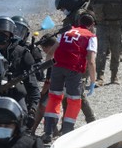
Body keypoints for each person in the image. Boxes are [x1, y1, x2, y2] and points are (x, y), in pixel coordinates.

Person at [40, 11, 97, 141]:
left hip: (57, 67)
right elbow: (91, 61)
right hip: (74, 70)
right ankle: (67, 131)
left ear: (79, 22)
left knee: (54, 98)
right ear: (92, 24)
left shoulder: (66, 31)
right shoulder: (91, 36)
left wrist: (49, 72)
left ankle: (48, 132)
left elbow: (50, 53)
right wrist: (93, 81)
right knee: (74, 100)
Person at [0, 16, 41, 119]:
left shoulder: (22, 53)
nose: (2, 35)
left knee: (22, 117)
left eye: (5, 32)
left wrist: (33, 108)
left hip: (15, 93)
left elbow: (32, 83)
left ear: (11, 34)